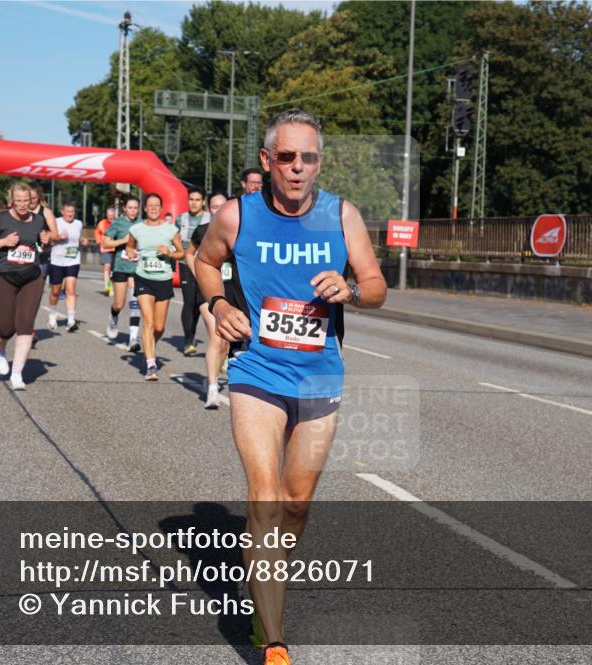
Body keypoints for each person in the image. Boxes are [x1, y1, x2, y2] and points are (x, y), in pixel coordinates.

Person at [196, 109, 386, 665]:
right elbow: (204, 262)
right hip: (256, 370)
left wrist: (349, 288)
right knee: (266, 493)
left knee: (297, 502)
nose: (297, 168)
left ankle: (268, 583)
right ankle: (272, 637)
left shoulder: (340, 215)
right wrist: (218, 303)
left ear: (319, 162)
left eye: (308, 158)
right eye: (286, 157)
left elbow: (377, 287)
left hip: (319, 373)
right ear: (266, 161)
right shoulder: (236, 216)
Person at [0, 182, 50, 391]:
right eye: (18, 201)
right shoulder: (1, 220)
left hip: (31, 277)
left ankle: (17, 374)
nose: (23, 205)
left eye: (26, 200)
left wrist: (46, 241)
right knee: (7, 328)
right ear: (11, 201)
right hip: (4, 277)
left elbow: (43, 245)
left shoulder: (38, 220)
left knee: (25, 325)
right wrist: (3, 242)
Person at [186, 192, 237, 407]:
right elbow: (189, 254)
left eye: (222, 206)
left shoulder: (238, 231)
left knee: (225, 341)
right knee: (217, 336)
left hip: (232, 292)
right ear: (209, 209)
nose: (218, 209)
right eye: (214, 206)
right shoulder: (201, 231)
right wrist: (200, 275)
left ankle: (215, 373)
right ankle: (213, 389)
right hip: (208, 293)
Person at [125, 192, 183, 380]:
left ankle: (149, 343)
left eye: (156, 206)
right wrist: (131, 253)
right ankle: (151, 365)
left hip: (163, 279)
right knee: (148, 323)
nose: (153, 208)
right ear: (145, 208)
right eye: (150, 205)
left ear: (161, 208)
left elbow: (181, 253)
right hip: (143, 277)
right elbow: (129, 246)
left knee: (159, 327)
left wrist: (169, 253)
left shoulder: (170, 230)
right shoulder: (136, 229)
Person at [101, 197, 141, 350]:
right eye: (130, 207)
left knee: (135, 303)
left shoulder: (142, 223)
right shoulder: (118, 223)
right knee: (119, 303)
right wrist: (123, 240)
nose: (132, 210)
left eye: (135, 208)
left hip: (136, 268)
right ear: (124, 208)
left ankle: (133, 338)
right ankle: (113, 316)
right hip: (120, 266)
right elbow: (105, 242)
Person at [176, 187, 211, 357]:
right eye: (191, 199)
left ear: (203, 201)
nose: (194, 203)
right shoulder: (180, 219)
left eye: (197, 199)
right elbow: (174, 239)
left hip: (205, 265)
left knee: (201, 302)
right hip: (186, 263)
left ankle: (196, 335)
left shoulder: (210, 219)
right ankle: (188, 340)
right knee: (189, 302)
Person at [47, 202, 87, 333]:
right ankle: (52, 315)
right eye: (68, 211)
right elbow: (47, 239)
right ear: (62, 211)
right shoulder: (55, 222)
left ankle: (71, 321)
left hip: (73, 260)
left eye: (72, 212)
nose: (70, 214)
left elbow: (79, 238)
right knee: (55, 291)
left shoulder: (78, 223)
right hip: (57, 260)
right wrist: (58, 237)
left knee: (70, 290)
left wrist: (83, 241)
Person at [94, 207, 116, 295]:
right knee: (107, 267)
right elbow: (97, 232)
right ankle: (107, 287)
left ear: (114, 215)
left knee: (114, 270)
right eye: (108, 215)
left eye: (112, 215)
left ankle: (113, 286)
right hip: (106, 249)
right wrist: (98, 240)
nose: (110, 217)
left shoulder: (117, 223)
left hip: (116, 249)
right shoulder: (102, 223)